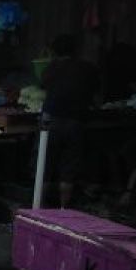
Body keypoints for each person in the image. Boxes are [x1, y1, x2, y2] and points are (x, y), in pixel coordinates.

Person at [41, 34, 99, 208]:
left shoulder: (50, 68)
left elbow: (45, 88)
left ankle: (40, 207)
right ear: (75, 50)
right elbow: (94, 92)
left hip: (51, 121)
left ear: (54, 51)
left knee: (46, 165)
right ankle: (63, 209)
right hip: (76, 122)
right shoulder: (88, 68)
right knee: (69, 169)